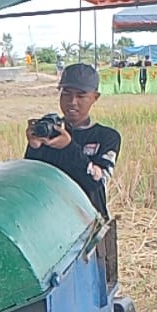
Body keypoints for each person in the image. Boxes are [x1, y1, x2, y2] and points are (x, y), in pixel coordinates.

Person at [24, 63, 120, 220]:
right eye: (66, 94)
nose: (72, 102)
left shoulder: (107, 137)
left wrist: (68, 147)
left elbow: (96, 181)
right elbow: (32, 179)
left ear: (95, 97)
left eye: (81, 96)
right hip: (50, 219)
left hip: (88, 223)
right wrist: (34, 147)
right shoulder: (49, 132)